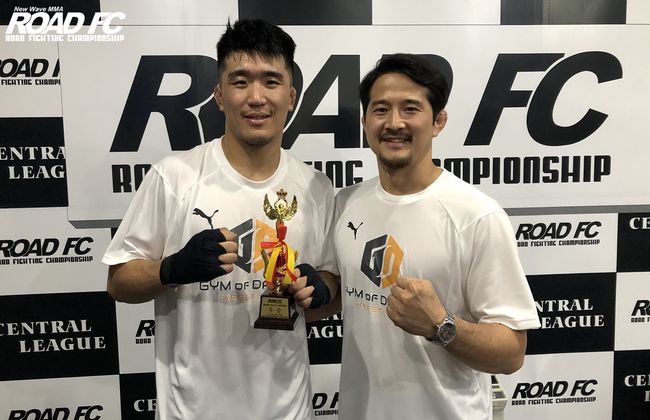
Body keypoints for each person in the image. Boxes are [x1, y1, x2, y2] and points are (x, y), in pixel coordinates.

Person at [103, 19, 336, 420]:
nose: (256, 97)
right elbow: (118, 282)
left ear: (291, 96)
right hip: (191, 411)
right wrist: (172, 268)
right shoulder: (173, 177)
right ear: (219, 95)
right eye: (240, 81)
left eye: (271, 81)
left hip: (288, 410)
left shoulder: (316, 187)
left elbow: (332, 289)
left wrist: (320, 289)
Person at [332, 54, 541, 419]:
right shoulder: (346, 203)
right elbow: (336, 295)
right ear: (365, 122)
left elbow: (511, 354)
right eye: (380, 110)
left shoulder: (476, 216)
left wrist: (440, 325)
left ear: (438, 121)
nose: (394, 123)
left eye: (410, 108)